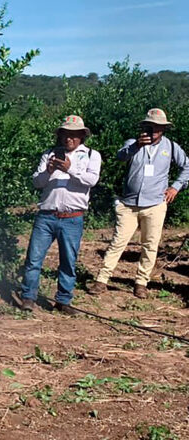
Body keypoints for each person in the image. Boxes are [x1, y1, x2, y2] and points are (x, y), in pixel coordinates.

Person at [87, 108, 189, 298]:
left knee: (150, 245)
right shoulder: (132, 144)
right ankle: (101, 280)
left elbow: (187, 166)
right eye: (150, 127)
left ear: (164, 129)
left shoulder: (172, 148)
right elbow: (120, 156)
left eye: (158, 128)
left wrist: (176, 186)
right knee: (118, 242)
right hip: (129, 205)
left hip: (155, 204)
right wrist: (136, 147)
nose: (154, 131)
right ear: (144, 127)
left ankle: (141, 283)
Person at [13, 115, 101, 314]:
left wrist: (71, 170)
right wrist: (49, 171)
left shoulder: (91, 155)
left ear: (81, 136)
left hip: (72, 217)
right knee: (34, 259)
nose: (69, 139)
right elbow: (37, 182)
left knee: (68, 261)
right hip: (46, 216)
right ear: (60, 136)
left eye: (73, 135)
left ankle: (63, 301)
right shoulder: (49, 154)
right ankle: (28, 298)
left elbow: (91, 180)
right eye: (65, 134)